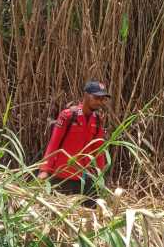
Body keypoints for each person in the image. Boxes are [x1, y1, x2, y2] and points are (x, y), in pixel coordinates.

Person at [38, 80, 110, 208]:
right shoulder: (68, 115)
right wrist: (44, 170)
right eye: (96, 98)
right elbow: (53, 143)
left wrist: (100, 177)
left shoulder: (97, 120)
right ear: (86, 95)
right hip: (63, 176)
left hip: (85, 178)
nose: (99, 102)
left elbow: (98, 150)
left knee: (90, 216)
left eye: (102, 99)